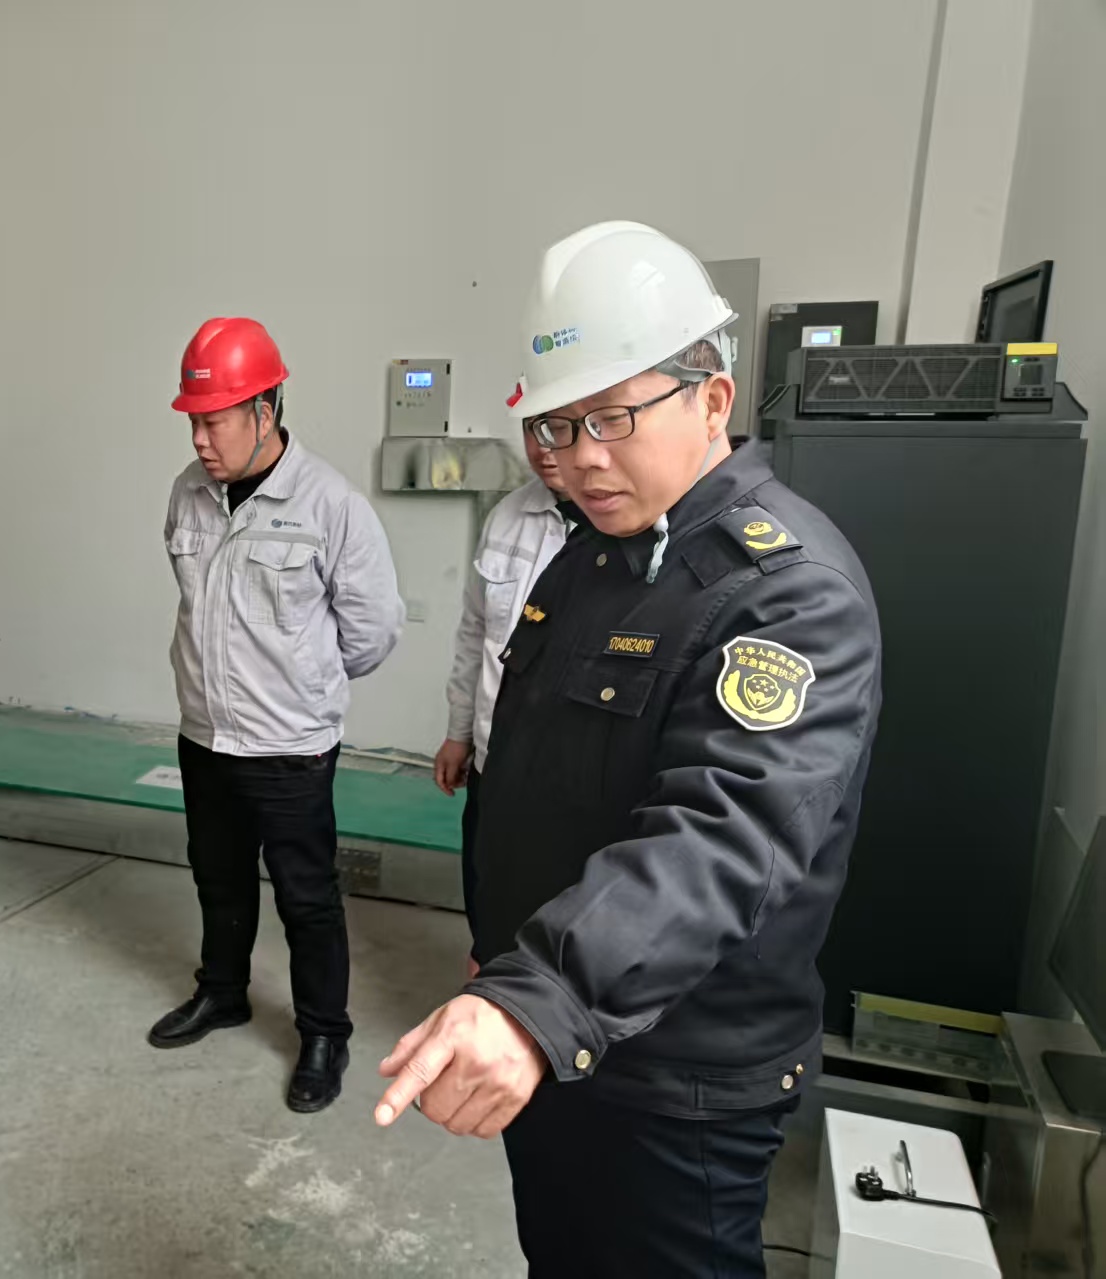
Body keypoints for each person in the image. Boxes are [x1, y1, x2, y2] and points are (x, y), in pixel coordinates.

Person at [374, 222, 883, 1277]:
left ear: (711, 398)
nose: (579, 457)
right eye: (558, 425)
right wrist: (506, 953)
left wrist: (539, 995)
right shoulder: (596, 553)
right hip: (564, 1031)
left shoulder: (787, 595)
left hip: (677, 1080)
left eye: (611, 416)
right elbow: (535, 774)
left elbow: (719, 839)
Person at [151, 317, 404, 1113]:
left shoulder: (330, 504)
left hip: (290, 745)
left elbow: (373, 629)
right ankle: (223, 991)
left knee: (307, 896)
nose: (201, 439)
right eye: (193, 421)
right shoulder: (188, 493)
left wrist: (302, 686)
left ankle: (325, 1032)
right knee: (217, 876)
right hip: (205, 732)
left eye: (216, 420)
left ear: (265, 410)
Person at [432, 427, 568, 969]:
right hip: (494, 759)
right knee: (487, 900)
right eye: (534, 430)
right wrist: (459, 732)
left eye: (561, 427)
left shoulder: (632, 525)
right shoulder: (509, 516)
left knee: (558, 923)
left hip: (569, 777)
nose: (545, 447)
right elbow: (475, 633)